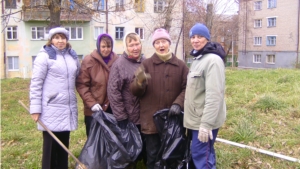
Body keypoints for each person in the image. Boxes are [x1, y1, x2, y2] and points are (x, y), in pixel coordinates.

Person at [130, 28, 189, 169]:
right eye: (157, 42)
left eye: (164, 42)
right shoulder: (146, 65)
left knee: (173, 158)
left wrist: (178, 104)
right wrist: (139, 82)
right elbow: (134, 91)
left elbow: (188, 88)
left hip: (173, 122)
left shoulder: (181, 66)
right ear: (154, 45)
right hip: (151, 123)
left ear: (169, 43)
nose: (161, 45)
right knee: (153, 158)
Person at [29, 27, 80, 169]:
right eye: (57, 37)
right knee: (50, 150)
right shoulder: (44, 56)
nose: (60, 41)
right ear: (51, 39)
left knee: (63, 147)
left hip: (67, 109)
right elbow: (36, 83)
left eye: (63, 37)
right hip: (50, 108)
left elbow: (78, 78)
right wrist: (35, 108)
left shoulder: (72, 56)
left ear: (67, 39)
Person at [183, 23, 227, 169]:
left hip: (203, 122)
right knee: (205, 153)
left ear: (207, 39)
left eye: (200, 36)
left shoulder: (213, 61)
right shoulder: (198, 59)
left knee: (202, 156)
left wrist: (206, 125)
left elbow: (214, 95)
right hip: (196, 120)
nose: (195, 40)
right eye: (193, 37)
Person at [107, 32, 147, 168]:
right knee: (130, 153)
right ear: (126, 47)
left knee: (144, 149)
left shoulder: (145, 62)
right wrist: (121, 116)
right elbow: (113, 91)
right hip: (129, 117)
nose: (135, 48)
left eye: (137, 44)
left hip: (145, 116)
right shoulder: (119, 64)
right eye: (131, 45)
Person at [76, 33, 118, 137]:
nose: (106, 50)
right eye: (103, 46)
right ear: (98, 46)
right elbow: (82, 85)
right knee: (94, 142)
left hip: (112, 109)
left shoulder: (117, 60)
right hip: (94, 109)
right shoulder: (89, 60)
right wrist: (92, 103)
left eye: (109, 47)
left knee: (112, 142)